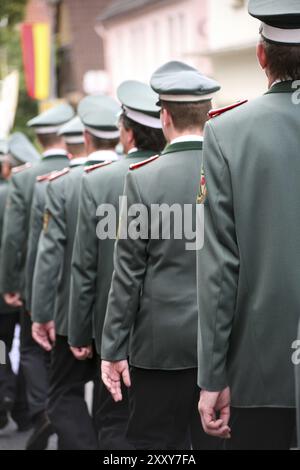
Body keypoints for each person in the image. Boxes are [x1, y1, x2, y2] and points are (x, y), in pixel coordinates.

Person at [101, 62, 221, 450]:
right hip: (222, 345)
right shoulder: (232, 169)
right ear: (209, 114)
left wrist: (113, 348)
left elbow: (128, 274)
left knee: (154, 448)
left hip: (159, 349)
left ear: (164, 116)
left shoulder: (142, 177)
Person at [197, 0, 300, 451]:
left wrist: (213, 376)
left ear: (262, 56)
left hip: (260, 371)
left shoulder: (226, 132)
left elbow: (220, 269)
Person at [69, 81, 166, 449]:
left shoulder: (98, 182)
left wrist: (80, 335)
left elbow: (85, 269)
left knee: (116, 424)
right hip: (178, 336)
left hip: (115, 333)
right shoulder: (194, 173)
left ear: (126, 134)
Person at [31, 96, 120, 449]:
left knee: (63, 395)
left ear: (85, 137)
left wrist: (41, 314)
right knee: (111, 401)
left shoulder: (63, 183)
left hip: (74, 314)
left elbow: (49, 256)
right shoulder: (134, 174)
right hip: (124, 315)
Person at [0, 103, 73, 450]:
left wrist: (11, 285)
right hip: (76, 281)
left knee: (31, 349)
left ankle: (44, 408)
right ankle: (64, 409)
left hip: (36, 281)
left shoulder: (25, 178)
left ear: (40, 140)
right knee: (67, 347)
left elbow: (13, 240)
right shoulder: (82, 169)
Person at [0, 134, 37, 432]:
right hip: (22, 287)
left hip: (5, 287)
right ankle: (25, 411)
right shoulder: (29, 189)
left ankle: (6, 394)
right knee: (26, 349)